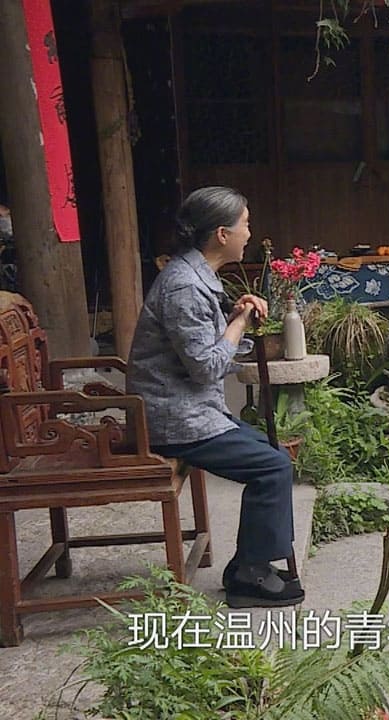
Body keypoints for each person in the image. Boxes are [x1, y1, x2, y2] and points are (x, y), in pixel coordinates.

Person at [127, 186, 304, 608]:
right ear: (222, 234)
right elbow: (206, 366)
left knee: (273, 454)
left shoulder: (197, 277)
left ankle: (250, 564)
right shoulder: (183, 286)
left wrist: (234, 317)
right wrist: (238, 323)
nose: (250, 232)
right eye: (245, 224)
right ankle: (249, 575)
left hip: (195, 410)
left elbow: (207, 346)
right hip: (176, 419)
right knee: (272, 467)